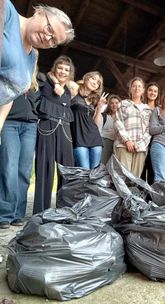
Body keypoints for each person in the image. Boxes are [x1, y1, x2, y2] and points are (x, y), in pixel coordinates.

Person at [1, 2, 74, 133]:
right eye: (50, 29)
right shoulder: (6, 10)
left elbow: (8, 94)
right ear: (39, 12)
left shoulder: (32, 57)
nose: (47, 38)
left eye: (53, 41)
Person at [34, 55, 75, 214]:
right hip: (47, 127)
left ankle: (64, 209)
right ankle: (41, 211)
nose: (63, 72)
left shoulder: (68, 92)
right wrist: (55, 82)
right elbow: (39, 74)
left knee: (67, 170)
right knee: (45, 167)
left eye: (67, 69)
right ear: (54, 68)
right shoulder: (45, 81)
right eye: (60, 68)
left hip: (65, 130)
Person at [0, 62, 39, 228]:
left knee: (24, 171)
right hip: (10, 124)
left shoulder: (36, 85)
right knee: (9, 168)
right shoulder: (9, 76)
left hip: (30, 127)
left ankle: (18, 214)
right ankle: (5, 214)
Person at [114, 77, 152, 176]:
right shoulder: (123, 104)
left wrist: (140, 144)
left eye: (139, 86)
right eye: (134, 86)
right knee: (121, 178)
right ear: (130, 89)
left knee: (135, 180)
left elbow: (149, 129)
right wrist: (127, 140)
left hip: (141, 148)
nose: (137, 88)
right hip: (123, 145)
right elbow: (118, 123)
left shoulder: (147, 109)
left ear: (143, 90)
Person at [70, 71, 108, 169]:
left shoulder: (94, 100)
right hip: (79, 138)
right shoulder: (75, 90)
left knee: (94, 174)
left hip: (95, 138)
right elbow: (65, 81)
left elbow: (95, 123)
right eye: (93, 78)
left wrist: (99, 107)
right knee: (84, 173)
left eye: (98, 82)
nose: (95, 82)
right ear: (86, 77)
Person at [140, 82, 159, 184]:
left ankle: (151, 198)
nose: (153, 93)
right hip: (142, 142)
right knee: (141, 172)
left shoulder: (159, 109)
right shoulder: (141, 106)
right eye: (150, 90)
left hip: (154, 143)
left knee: (153, 172)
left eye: (155, 91)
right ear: (146, 91)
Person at [97, 94, 120, 164]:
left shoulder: (122, 117)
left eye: (116, 103)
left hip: (118, 144)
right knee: (103, 164)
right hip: (105, 142)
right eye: (112, 103)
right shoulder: (104, 116)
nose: (114, 105)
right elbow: (98, 129)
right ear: (108, 105)